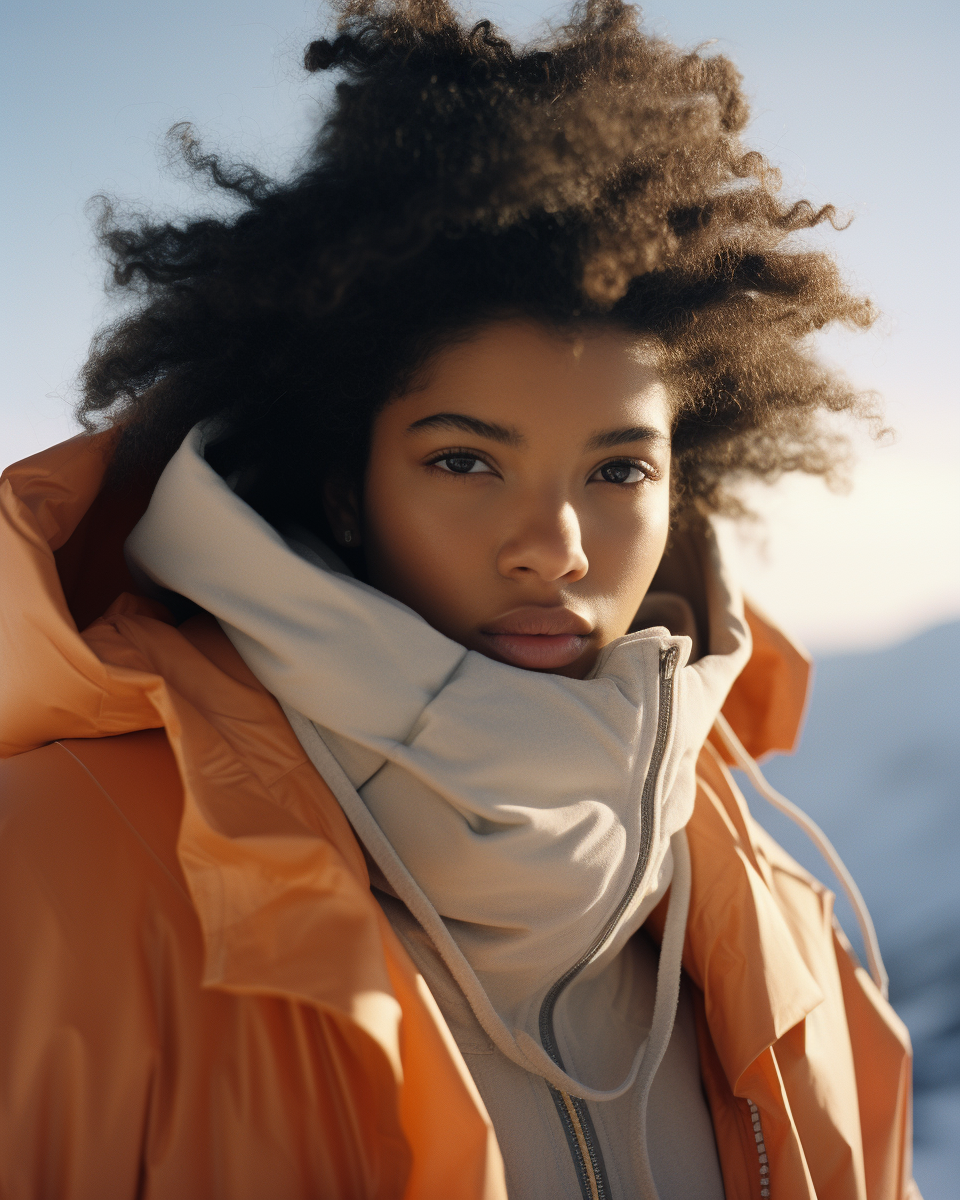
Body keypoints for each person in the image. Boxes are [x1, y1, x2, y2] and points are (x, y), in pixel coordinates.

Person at [0, 2, 920, 1197]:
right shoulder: (58, 868)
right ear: (345, 486)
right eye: (466, 461)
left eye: (619, 470)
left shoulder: (773, 910)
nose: (555, 549)